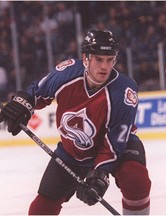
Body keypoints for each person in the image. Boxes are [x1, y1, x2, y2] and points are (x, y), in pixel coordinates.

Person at [0, 29, 151, 215]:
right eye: (98, 59)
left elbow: (113, 144)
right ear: (86, 58)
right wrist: (22, 104)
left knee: (135, 177)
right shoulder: (67, 72)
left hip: (115, 147)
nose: (104, 66)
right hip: (72, 153)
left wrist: (99, 175)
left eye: (109, 60)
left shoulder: (124, 92)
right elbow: (36, 93)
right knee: (41, 208)